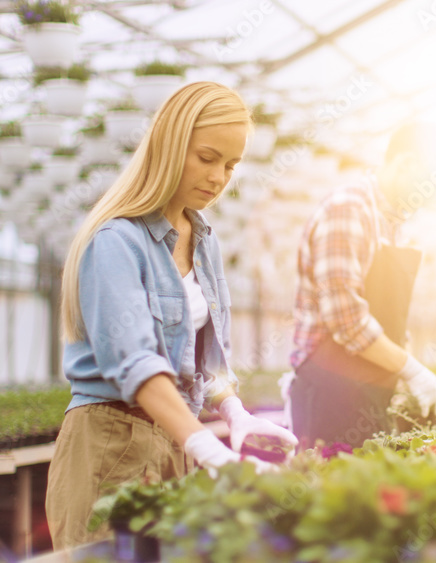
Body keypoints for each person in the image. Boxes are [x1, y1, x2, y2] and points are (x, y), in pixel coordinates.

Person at [46, 82, 297, 550]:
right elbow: (136, 365)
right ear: (169, 144)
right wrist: (203, 443)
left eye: (231, 164)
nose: (219, 177)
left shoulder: (204, 240)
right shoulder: (116, 242)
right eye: (207, 157)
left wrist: (233, 411)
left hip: (174, 442)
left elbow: (206, 358)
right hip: (111, 441)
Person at [286, 123, 436, 449]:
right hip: (332, 391)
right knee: (331, 492)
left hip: (367, 392)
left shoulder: (391, 223)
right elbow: (346, 319)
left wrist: (402, 370)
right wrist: (411, 370)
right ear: (406, 165)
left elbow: (387, 315)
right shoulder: (349, 209)